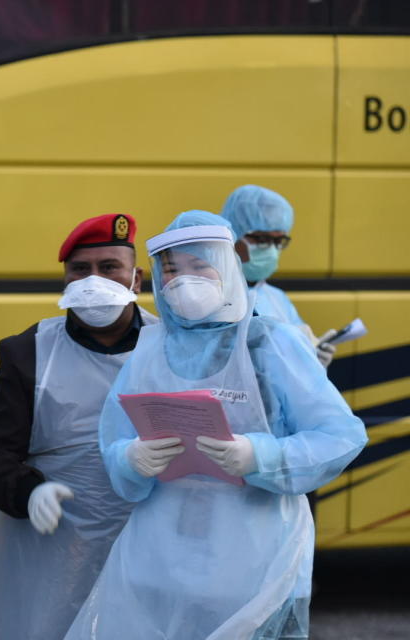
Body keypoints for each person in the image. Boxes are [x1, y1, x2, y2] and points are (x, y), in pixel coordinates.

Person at [64, 210, 367, 640]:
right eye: (171, 269)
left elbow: (341, 435)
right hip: (161, 563)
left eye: (198, 265)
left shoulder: (269, 343)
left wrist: (261, 455)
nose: (183, 280)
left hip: (258, 563)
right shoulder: (150, 349)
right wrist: (131, 459)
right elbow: (115, 441)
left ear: (227, 268)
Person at [0, 214, 158, 639]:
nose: (93, 280)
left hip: (149, 545)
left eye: (109, 268)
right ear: (65, 281)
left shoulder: (170, 349)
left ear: (136, 279)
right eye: (80, 270)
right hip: (47, 551)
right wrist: (27, 491)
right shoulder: (28, 351)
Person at [220, 184, 337, 367]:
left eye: (278, 241)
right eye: (262, 239)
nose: (272, 250)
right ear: (233, 235)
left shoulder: (277, 298)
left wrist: (312, 358)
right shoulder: (212, 294)